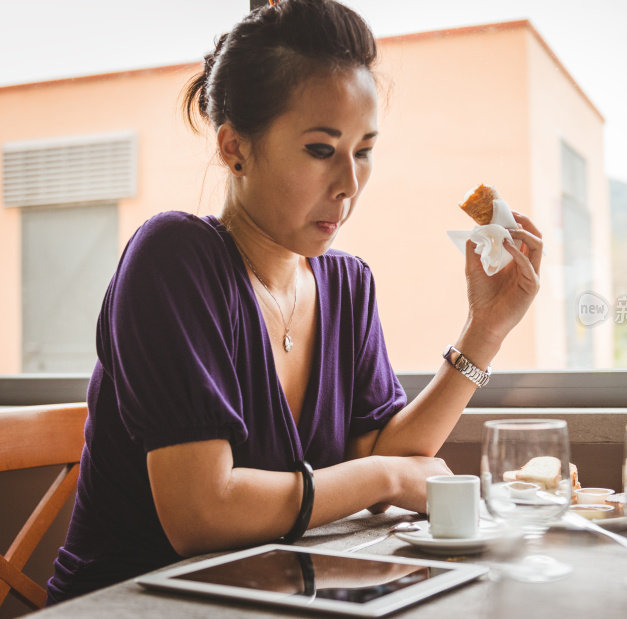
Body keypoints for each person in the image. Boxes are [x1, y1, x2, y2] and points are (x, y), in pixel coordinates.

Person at [46, 0, 543, 605]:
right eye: (320, 149)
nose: (349, 184)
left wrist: (484, 331)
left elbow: (386, 452)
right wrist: (383, 478)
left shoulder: (347, 285)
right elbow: (202, 513)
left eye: (363, 150)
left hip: (276, 601)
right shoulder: (174, 258)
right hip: (136, 607)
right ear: (235, 148)